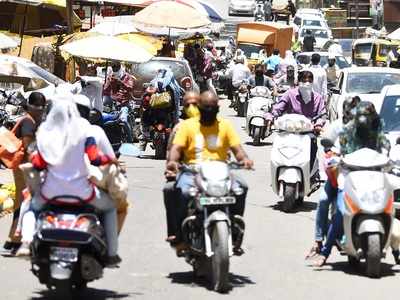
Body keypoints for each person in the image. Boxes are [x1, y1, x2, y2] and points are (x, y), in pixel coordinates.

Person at [17, 99, 121, 266]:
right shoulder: (84, 134)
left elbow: (38, 164)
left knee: (31, 207)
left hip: (50, 194)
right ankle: (112, 254)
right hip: (83, 194)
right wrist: (112, 161)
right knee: (110, 207)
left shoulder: (47, 137)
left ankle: (26, 242)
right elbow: (95, 159)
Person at [165, 91, 254, 253]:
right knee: (182, 192)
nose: (209, 112)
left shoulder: (225, 125)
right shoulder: (187, 126)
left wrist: (244, 159)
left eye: (212, 109)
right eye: (205, 108)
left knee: (242, 188)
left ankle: (235, 228)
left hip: (221, 170)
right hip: (192, 172)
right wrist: (172, 162)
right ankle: (180, 235)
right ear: (200, 108)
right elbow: (176, 148)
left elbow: (237, 149)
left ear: (218, 108)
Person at [313, 101, 391, 267]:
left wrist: (388, 157)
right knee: (341, 211)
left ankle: (396, 249)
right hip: (349, 176)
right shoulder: (347, 131)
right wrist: (336, 158)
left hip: (373, 175)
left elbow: (385, 145)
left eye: (367, 117)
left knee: (388, 204)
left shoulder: (377, 130)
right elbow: (339, 150)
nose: (364, 121)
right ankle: (324, 252)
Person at [306, 96, 361, 260]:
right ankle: (318, 240)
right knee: (323, 200)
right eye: (350, 108)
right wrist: (331, 152)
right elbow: (327, 144)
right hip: (340, 172)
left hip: (359, 173)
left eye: (355, 108)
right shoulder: (337, 126)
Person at [2, 92, 46, 255]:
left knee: (25, 203)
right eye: (40, 108)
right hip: (24, 168)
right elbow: (28, 147)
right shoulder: (28, 122)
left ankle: (18, 241)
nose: (41, 111)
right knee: (22, 205)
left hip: (25, 168)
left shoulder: (31, 120)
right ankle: (12, 243)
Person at [163, 91, 200, 244]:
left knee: (238, 188)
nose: (192, 108)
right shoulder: (179, 128)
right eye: (188, 105)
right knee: (170, 189)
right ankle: (176, 233)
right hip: (189, 172)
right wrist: (172, 168)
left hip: (213, 173)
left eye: (195, 104)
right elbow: (171, 152)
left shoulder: (215, 124)